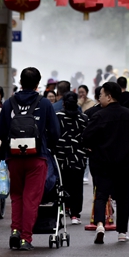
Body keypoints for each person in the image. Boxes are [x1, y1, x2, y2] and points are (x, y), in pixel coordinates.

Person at [0, 67, 60, 251]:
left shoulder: (9, 103)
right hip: (37, 157)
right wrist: (49, 145)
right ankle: (25, 238)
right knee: (31, 198)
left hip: (14, 157)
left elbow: (1, 131)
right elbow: (55, 131)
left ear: (21, 83)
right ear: (38, 84)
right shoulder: (45, 104)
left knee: (16, 196)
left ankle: (15, 231)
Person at [83, 82, 129, 244]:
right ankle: (122, 232)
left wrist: (93, 148)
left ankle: (99, 224)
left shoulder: (99, 116)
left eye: (101, 95)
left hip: (102, 162)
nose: (100, 99)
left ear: (109, 96)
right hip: (124, 163)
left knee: (101, 195)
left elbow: (86, 137)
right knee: (122, 197)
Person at [55, 92, 88, 225]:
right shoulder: (84, 118)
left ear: (63, 103)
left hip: (61, 156)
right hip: (78, 156)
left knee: (61, 184)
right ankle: (75, 214)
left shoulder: (57, 117)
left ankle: (62, 210)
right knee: (77, 186)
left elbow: (52, 134)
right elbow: (87, 137)